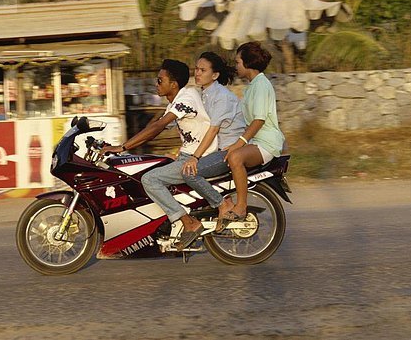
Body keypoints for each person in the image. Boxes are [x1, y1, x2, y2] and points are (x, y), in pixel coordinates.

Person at [101, 59, 217, 250]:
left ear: (174, 84)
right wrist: (122, 145)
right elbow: (155, 126)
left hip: (198, 158)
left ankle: (189, 223)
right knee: (153, 165)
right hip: (188, 155)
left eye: (159, 80)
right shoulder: (179, 100)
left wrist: (122, 147)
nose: (156, 84)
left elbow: (158, 127)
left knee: (150, 180)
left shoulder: (185, 99)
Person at [217, 42, 285, 230]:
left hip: (266, 143)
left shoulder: (262, 85)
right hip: (256, 141)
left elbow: (259, 120)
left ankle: (241, 207)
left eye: (238, 62)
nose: (236, 66)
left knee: (235, 157)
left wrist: (239, 143)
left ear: (248, 63)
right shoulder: (252, 86)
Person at [180, 51, 245, 218]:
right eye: (196, 69)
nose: (198, 73)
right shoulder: (204, 93)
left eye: (203, 70)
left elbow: (213, 129)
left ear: (215, 75)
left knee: (189, 172)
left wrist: (195, 157)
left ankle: (222, 204)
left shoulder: (222, 96)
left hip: (228, 150)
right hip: (216, 148)